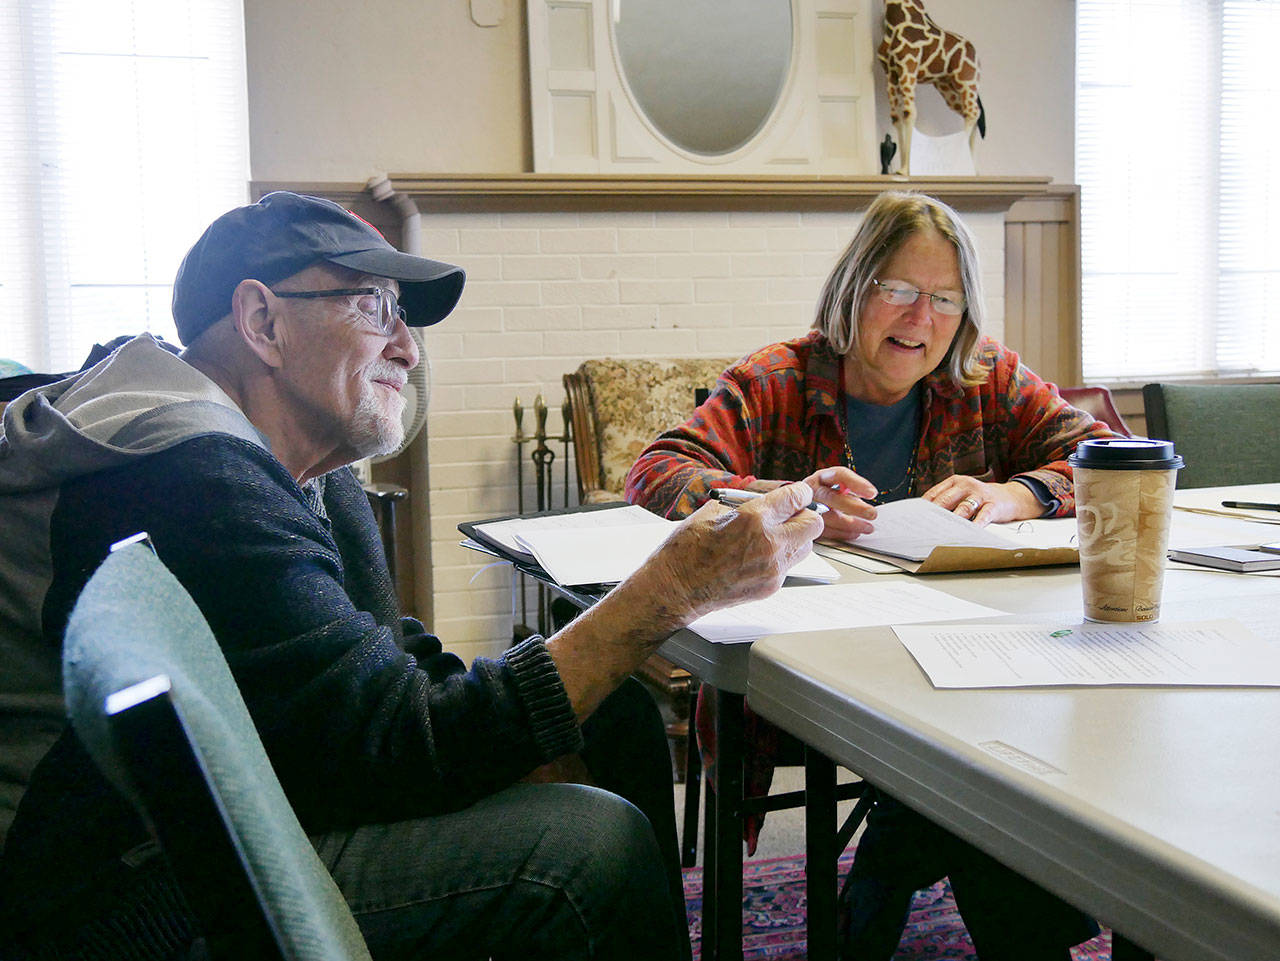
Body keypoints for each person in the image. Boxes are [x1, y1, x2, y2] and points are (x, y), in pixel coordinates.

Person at [0, 191, 828, 961]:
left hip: (243, 791)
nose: (408, 347)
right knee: (591, 848)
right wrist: (668, 590)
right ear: (261, 320)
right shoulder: (191, 476)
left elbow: (381, 658)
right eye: (373, 306)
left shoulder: (306, 464)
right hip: (135, 884)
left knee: (612, 721)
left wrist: (533, 744)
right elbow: (394, 747)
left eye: (406, 317)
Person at [625, 190, 1112, 960]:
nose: (921, 319)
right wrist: (789, 499)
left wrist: (1020, 491)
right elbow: (657, 471)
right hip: (801, 674)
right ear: (855, 289)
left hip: (954, 655)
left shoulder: (986, 377)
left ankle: (890, 862)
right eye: (900, 291)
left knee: (982, 756)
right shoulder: (776, 380)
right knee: (973, 767)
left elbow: (1109, 456)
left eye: (945, 298)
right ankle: (901, 863)